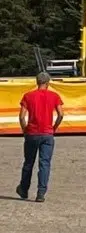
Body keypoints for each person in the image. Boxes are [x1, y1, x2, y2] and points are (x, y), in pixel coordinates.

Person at [16, 72, 63, 202]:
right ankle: (41, 193)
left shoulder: (28, 96)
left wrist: (24, 129)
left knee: (28, 163)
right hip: (47, 134)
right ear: (48, 83)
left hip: (32, 133)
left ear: (37, 82)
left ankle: (24, 189)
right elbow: (61, 114)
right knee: (45, 164)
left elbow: (21, 116)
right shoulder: (54, 96)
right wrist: (54, 128)